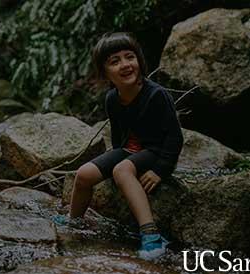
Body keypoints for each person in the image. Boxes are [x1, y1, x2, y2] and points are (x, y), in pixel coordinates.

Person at [61, 32, 184, 260]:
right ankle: (74, 220)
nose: (125, 65)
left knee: (122, 170)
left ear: (139, 60)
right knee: (84, 173)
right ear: (104, 72)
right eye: (114, 61)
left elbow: (175, 137)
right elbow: (119, 138)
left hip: (156, 151)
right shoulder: (112, 99)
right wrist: (115, 158)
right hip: (130, 151)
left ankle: (151, 233)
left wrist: (160, 170)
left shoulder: (156, 95)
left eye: (130, 57)